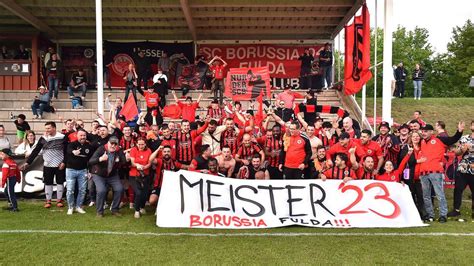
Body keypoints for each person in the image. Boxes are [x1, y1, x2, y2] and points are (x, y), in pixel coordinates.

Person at [419, 122, 464, 223]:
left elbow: (452, 140)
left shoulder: (439, 139)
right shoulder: (422, 141)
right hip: (423, 172)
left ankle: (443, 214)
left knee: (439, 194)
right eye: (422, 131)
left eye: (426, 131)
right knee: (426, 195)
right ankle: (430, 215)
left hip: (435, 171)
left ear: (431, 132)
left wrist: (459, 132)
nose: (423, 133)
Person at [22, 122, 66, 208]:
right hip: (47, 164)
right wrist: (28, 162)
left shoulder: (62, 137)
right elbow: (36, 150)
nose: (47, 130)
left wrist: (64, 162)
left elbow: (66, 151)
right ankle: (48, 201)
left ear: (54, 128)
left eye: (49, 128)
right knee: (48, 183)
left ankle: (59, 200)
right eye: (46, 128)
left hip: (60, 164)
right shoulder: (43, 138)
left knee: (60, 182)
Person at [88, 136, 126, 217]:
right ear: (108, 143)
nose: (113, 146)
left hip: (112, 175)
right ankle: (99, 212)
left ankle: (115, 209)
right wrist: (100, 159)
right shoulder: (101, 149)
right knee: (101, 190)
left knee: (119, 189)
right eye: (111, 143)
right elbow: (90, 161)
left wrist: (121, 159)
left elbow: (124, 161)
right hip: (98, 174)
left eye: (115, 144)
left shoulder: (119, 150)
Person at [448, 120, 473, 218]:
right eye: (472, 124)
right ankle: (456, 210)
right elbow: (457, 153)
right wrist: (462, 150)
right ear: (470, 126)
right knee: (458, 189)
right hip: (463, 168)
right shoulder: (464, 138)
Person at [65, 130, 92, 215]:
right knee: (70, 190)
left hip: (83, 171)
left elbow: (90, 160)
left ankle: (79, 207)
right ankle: (70, 207)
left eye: (84, 135)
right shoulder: (72, 144)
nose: (83, 137)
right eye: (81, 135)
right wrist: (73, 152)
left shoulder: (89, 146)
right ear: (77, 136)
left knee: (83, 190)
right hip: (70, 170)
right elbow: (68, 150)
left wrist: (89, 171)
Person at [128, 138, 152, 218]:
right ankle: (137, 210)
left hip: (145, 174)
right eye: (139, 144)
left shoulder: (148, 150)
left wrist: (145, 167)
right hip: (134, 175)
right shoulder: (133, 150)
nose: (140, 146)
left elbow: (150, 163)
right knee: (138, 192)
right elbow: (132, 162)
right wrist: (137, 165)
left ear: (145, 144)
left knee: (145, 194)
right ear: (136, 144)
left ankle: (142, 207)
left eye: (142, 144)